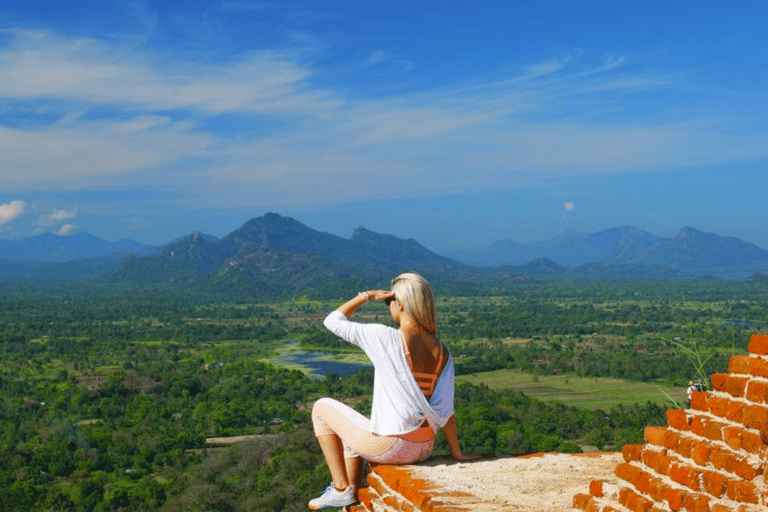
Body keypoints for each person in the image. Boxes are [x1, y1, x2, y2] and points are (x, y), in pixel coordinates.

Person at [308, 273, 477, 510]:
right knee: (349, 432)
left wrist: (365, 297)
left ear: (401, 304)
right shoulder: (443, 351)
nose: (389, 307)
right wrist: (457, 452)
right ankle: (351, 498)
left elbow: (333, 321)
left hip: (392, 448)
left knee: (321, 408)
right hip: (424, 448)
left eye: (389, 301)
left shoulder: (384, 338)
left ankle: (339, 488)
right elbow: (446, 410)